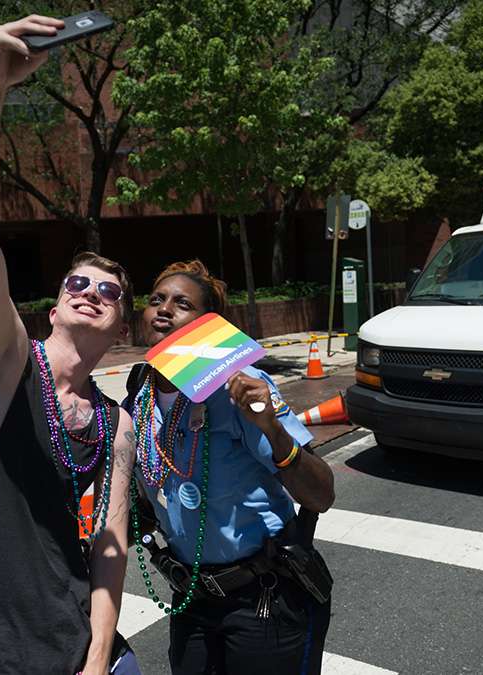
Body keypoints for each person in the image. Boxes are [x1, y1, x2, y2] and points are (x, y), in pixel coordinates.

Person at [0, 15, 138, 675]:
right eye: (78, 281)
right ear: (55, 304)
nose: (91, 292)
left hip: (79, 648)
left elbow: (110, 543)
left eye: (108, 292)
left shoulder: (116, 422)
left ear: (120, 326)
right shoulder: (4, 360)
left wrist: (100, 657)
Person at [124, 261, 336, 674]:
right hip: (193, 598)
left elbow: (322, 494)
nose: (164, 309)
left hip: (265, 598)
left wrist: (271, 429)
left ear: (207, 327)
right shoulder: (138, 396)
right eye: (156, 300)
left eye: (182, 303)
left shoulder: (238, 387)